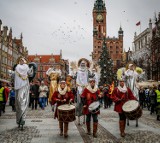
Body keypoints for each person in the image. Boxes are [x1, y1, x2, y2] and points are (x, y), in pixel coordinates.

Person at [8, 57, 34, 128]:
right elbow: (13, 76)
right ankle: (19, 119)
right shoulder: (17, 68)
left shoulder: (26, 67)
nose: (21, 61)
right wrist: (11, 72)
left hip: (24, 86)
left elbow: (31, 74)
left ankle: (23, 118)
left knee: (23, 101)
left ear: (24, 61)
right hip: (18, 87)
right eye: (20, 60)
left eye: (22, 60)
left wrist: (31, 69)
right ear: (19, 61)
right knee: (18, 103)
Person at [76, 58, 90, 125]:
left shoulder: (87, 71)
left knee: (86, 103)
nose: (83, 65)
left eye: (84, 64)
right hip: (79, 88)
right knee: (79, 103)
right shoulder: (78, 71)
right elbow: (77, 79)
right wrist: (80, 86)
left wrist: (86, 85)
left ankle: (85, 117)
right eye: (82, 64)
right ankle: (78, 118)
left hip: (86, 88)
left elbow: (88, 79)